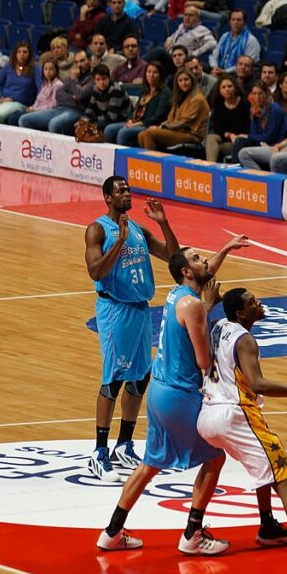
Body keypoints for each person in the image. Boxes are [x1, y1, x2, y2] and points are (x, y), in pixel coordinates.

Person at [96, 241, 249, 552]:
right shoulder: (193, 305)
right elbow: (203, 361)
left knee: (149, 465)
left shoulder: (176, 295)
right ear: (185, 271)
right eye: (196, 258)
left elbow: (206, 274)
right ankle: (193, 535)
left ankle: (111, 532)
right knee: (215, 458)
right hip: (179, 394)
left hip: (159, 392)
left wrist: (226, 249)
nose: (204, 260)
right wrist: (209, 312)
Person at [198, 287, 287, 574]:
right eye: (253, 302)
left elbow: (204, 320)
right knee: (284, 477)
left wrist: (209, 300)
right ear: (241, 313)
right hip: (235, 415)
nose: (260, 303)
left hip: (207, 412)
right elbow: (257, 384)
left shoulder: (218, 326)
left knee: (262, 465)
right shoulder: (245, 339)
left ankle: (267, 525)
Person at [83, 177, 180, 481]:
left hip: (140, 308)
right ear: (107, 197)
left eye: (128, 190)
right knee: (113, 379)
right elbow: (95, 271)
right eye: (120, 191)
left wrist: (163, 223)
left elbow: (174, 259)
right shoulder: (98, 229)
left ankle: (124, 445)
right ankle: (99, 452)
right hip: (115, 309)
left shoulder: (138, 229)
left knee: (139, 378)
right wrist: (119, 242)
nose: (127, 194)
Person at [137, 68, 210, 151]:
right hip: (178, 131)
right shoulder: (179, 98)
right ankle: (150, 158)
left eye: (186, 79)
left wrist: (162, 127)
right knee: (141, 134)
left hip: (191, 134)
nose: (183, 83)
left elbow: (184, 123)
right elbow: (170, 119)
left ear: (192, 81)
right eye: (180, 81)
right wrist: (159, 126)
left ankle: (152, 159)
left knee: (148, 134)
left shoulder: (197, 99)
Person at [104, 61, 171, 146]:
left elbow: (158, 116)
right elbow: (135, 109)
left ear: (160, 75)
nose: (151, 75)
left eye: (155, 72)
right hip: (136, 121)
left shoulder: (165, 92)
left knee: (123, 132)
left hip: (149, 124)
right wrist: (130, 120)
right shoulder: (145, 90)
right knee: (109, 129)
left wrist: (139, 123)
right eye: (149, 72)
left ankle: (123, 155)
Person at [205, 74, 251, 163]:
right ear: (219, 91)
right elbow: (217, 128)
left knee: (214, 149)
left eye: (229, 86)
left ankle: (210, 167)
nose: (227, 89)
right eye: (223, 87)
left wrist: (234, 136)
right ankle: (210, 167)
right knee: (210, 138)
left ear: (235, 88)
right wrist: (228, 134)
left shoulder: (245, 103)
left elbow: (247, 128)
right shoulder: (218, 104)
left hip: (239, 140)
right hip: (225, 137)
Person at [209, 10, 261, 74]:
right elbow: (214, 56)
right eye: (233, 20)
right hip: (220, 70)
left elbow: (247, 65)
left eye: (239, 20)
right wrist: (215, 67)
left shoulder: (251, 40)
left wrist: (225, 71)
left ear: (244, 23)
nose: (236, 22)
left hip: (238, 74)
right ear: (229, 22)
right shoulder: (225, 36)